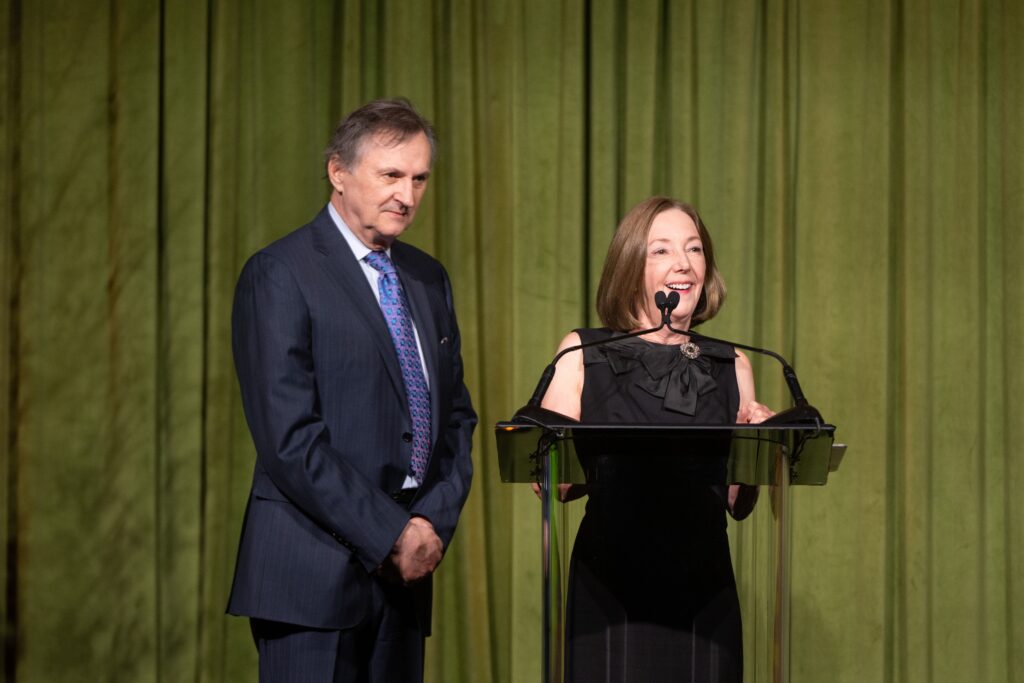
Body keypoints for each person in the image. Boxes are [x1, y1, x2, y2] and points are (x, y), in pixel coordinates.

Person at [226, 98, 476, 682]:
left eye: (419, 179)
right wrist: (391, 533)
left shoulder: (427, 277)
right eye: (390, 175)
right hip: (309, 580)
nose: (407, 196)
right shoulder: (280, 273)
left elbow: (456, 419)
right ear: (339, 172)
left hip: (406, 580)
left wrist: (430, 526)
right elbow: (289, 440)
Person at [540, 196, 773, 682]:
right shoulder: (583, 353)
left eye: (694, 250)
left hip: (703, 593)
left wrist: (757, 448)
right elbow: (556, 485)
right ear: (630, 266)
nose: (683, 264)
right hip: (610, 590)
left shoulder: (733, 363)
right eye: (661, 251)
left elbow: (737, 501)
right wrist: (556, 448)